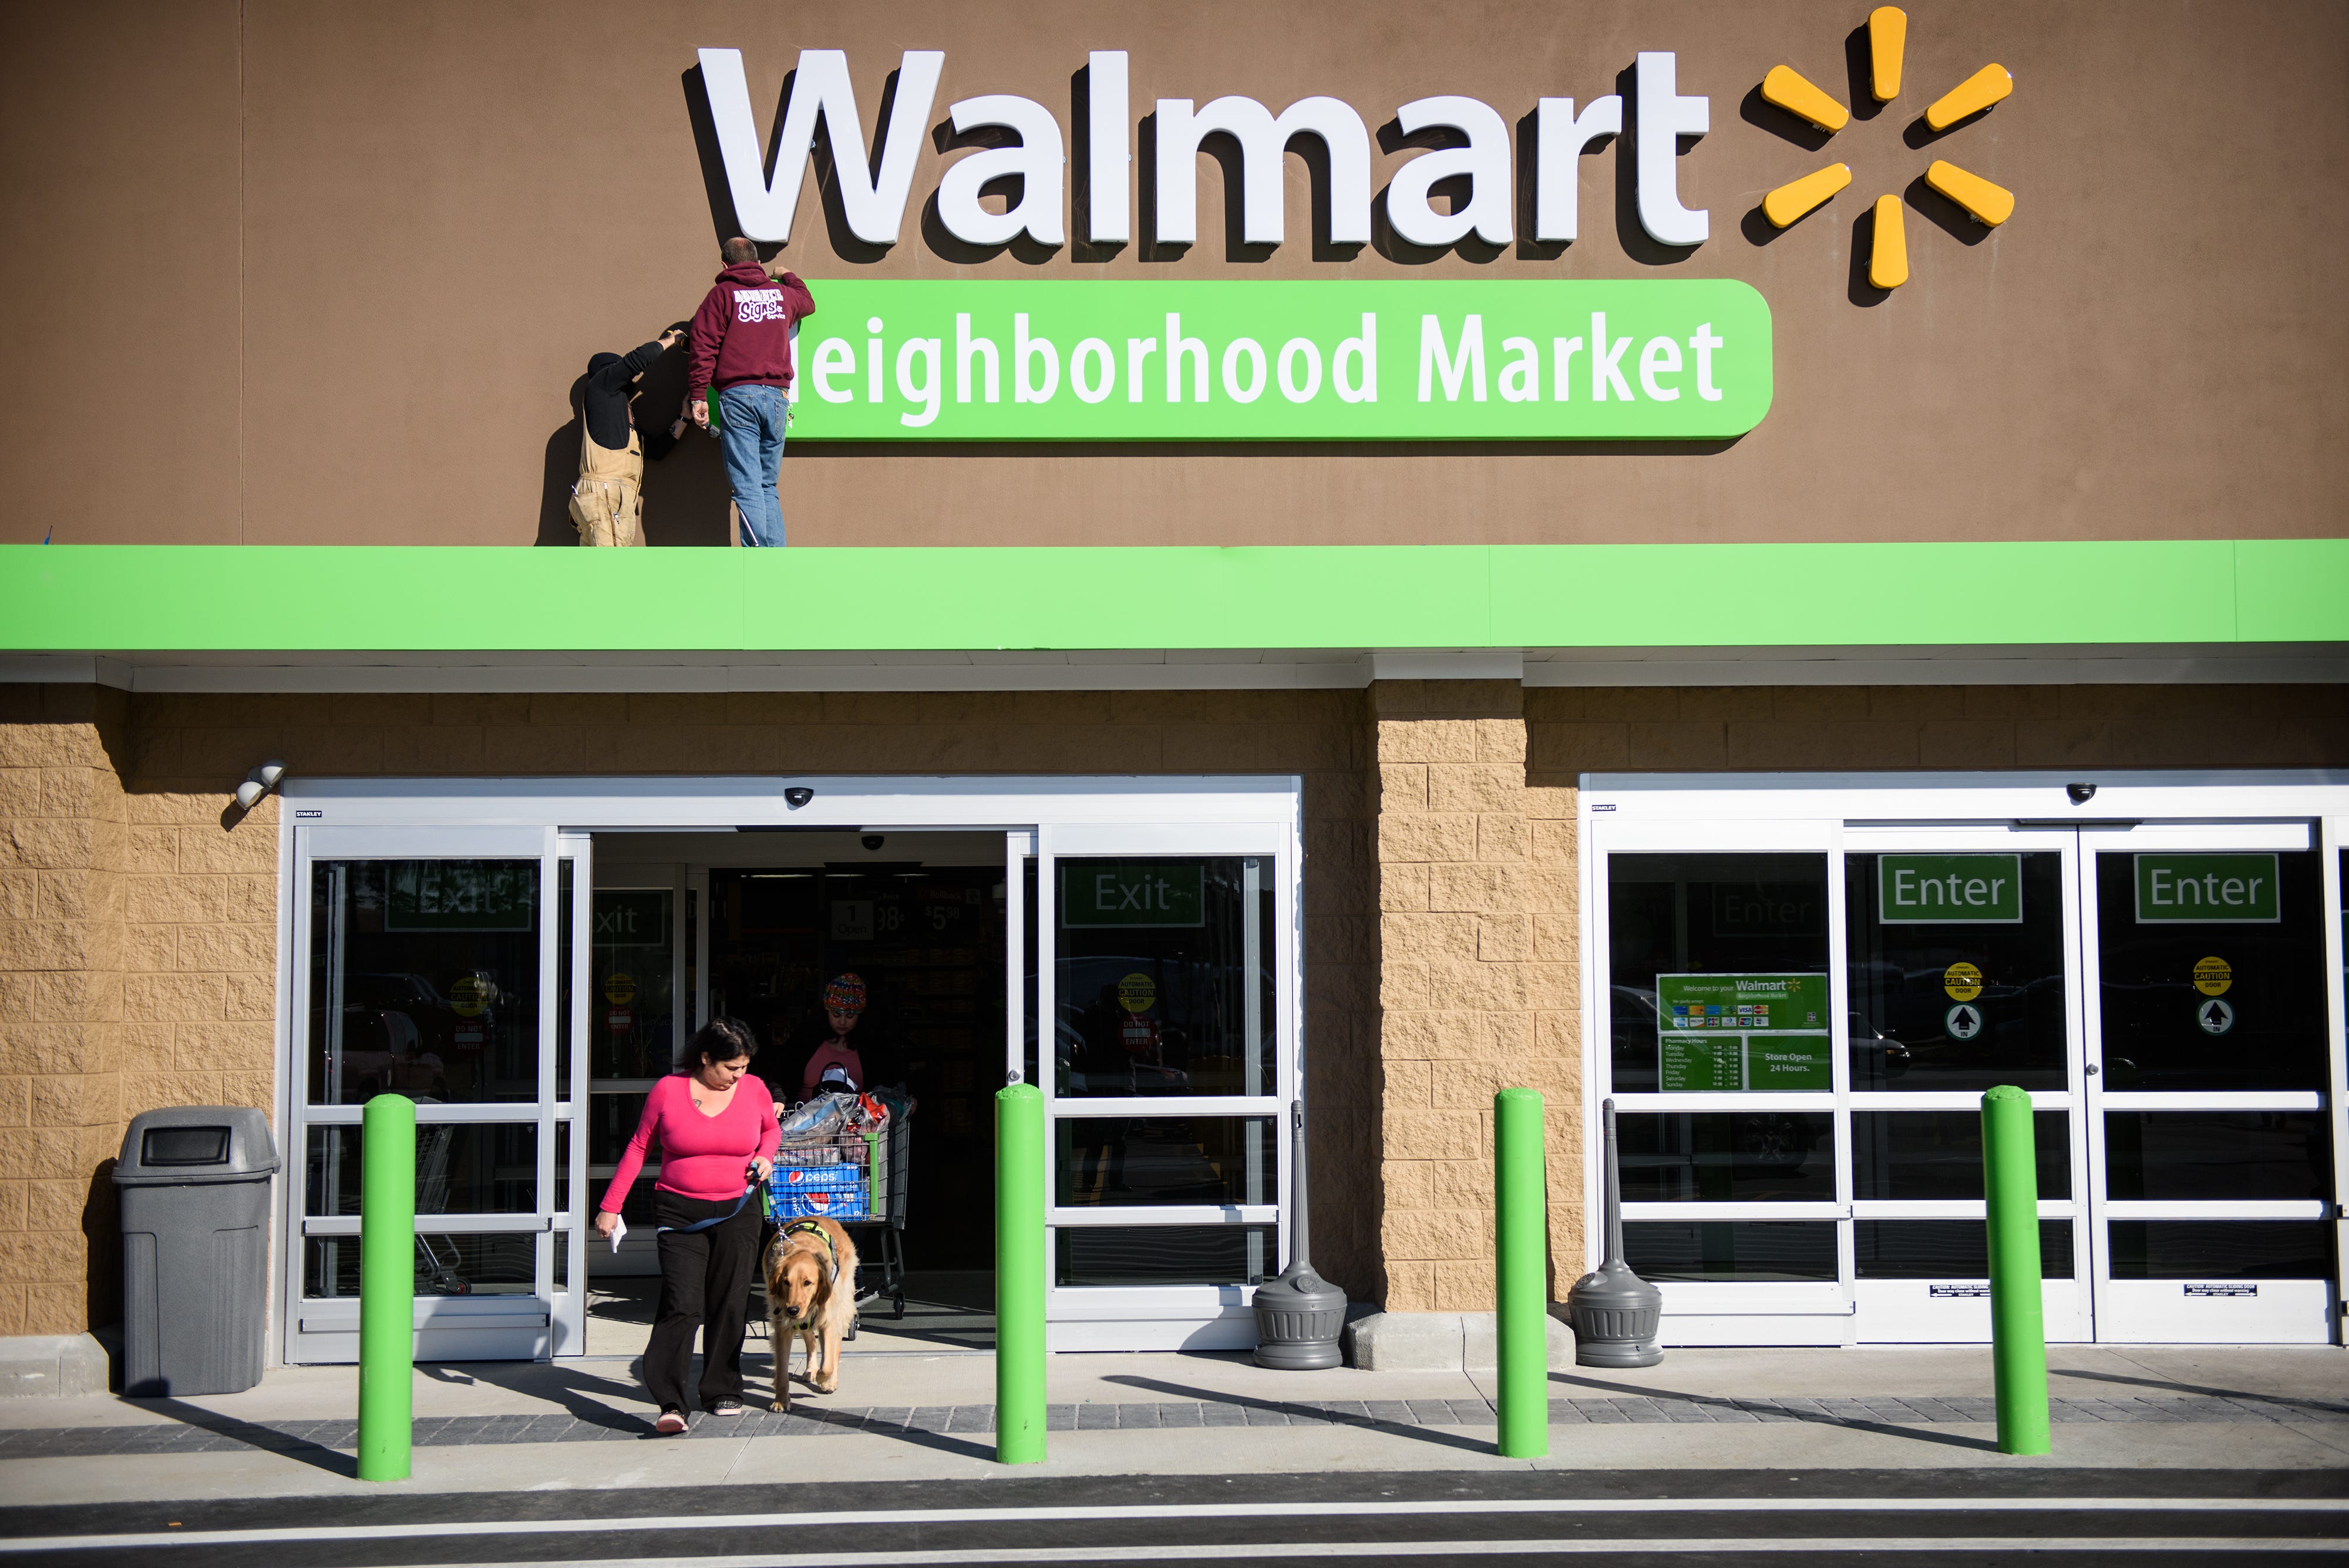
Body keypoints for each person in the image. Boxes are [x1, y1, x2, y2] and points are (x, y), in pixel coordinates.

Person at [594, 1017, 779, 1433]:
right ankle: (671, 1401)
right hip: (679, 1212)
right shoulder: (668, 1090)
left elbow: (771, 1131)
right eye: (731, 1068)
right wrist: (611, 1205)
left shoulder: (755, 1089)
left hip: (738, 1209)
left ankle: (721, 1387)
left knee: (730, 1300)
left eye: (745, 1067)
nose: (739, 1076)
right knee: (684, 1303)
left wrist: (766, 1156)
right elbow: (640, 1145)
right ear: (705, 1057)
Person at [686, 237, 815, 547]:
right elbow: (807, 302)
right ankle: (773, 565)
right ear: (758, 263)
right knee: (767, 485)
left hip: (740, 397)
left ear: (724, 265)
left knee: (747, 487)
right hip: (777, 398)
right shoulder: (781, 294)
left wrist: (698, 395)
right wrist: (785, 273)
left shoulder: (721, 295)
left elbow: (702, 347)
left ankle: (756, 564)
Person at [569, 327, 691, 547]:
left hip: (614, 497)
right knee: (612, 573)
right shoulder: (600, 388)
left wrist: (684, 416)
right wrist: (671, 341)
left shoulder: (622, 418)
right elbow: (636, 361)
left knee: (601, 574)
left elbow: (655, 450)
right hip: (606, 492)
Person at [799, 973, 868, 1101]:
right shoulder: (806, 1038)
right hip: (805, 1116)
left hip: (853, 1118)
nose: (842, 1022)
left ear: (860, 1016)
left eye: (850, 1017)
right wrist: (779, 1100)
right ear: (826, 1012)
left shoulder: (870, 1045)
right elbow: (782, 1078)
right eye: (836, 1015)